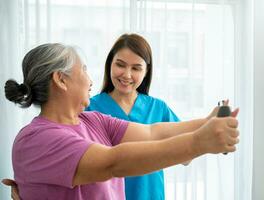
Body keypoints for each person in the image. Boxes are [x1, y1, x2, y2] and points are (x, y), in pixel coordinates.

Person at [3, 43, 239, 200]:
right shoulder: (36, 139)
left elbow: (152, 133)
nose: (90, 79)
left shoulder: (92, 120)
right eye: (83, 70)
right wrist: (200, 142)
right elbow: (112, 163)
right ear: (61, 80)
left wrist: (206, 122)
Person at [86, 33, 180, 200]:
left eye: (136, 68)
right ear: (110, 64)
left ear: (146, 71)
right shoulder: (89, 108)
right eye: (120, 65)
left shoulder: (158, 108)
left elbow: (185, 153)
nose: (127, 75)